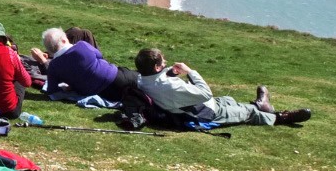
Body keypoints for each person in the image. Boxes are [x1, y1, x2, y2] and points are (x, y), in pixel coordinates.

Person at [133, 48, 312, 127]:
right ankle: (281, 117)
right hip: (203, 113)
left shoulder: (142, 79)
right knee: (249, 113)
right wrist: (190, 71)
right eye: (162, 61)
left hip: (188, 106)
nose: (165, 61)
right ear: (157, 67)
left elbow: (160, 83)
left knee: (229, 100)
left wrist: (170, 73)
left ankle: (261, 104)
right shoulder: (169, 86)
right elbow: (205, 93)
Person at [42, 27, 138, 105]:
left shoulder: (53, 67)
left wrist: (68, 87)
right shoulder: (82, 45)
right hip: (116, 77)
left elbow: (53, 92)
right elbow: (99, 56)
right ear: (63, 40)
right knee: (141, 78)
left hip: (103, 93)